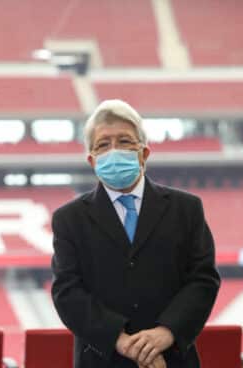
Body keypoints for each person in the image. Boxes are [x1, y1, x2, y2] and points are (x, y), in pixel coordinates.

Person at [51, 100, 220, 368]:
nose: (114, 150)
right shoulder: (69, 219)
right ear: (92, 160)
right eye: (103, 144)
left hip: (172, 358)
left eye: (125, 141)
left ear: (144, 153)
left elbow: (203, 279)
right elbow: (67, 292)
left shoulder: (186, 209)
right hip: (103, 359)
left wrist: (167, 332)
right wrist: (121, 341)